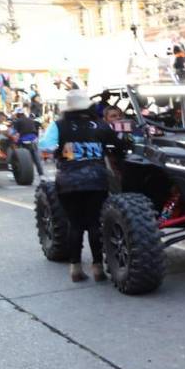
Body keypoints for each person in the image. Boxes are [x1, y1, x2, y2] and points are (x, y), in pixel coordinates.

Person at [38, 90, 126, 282]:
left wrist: (66, 149)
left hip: (68, 181)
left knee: (75, 225)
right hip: (96, 180)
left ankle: (75, 267)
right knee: (95, 224)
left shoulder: (58, 125)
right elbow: (118, 146)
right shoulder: (99, 125)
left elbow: (44, 146)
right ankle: (97, 268)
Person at [9, 109, 44, 176]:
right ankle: (41, 173)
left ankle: (14, 167)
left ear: (18, 114)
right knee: (36, 158)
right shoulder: (31, 120)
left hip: (23, 139)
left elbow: (14, 132)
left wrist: (10, 135)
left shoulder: (17, 121)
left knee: (15, 150)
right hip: (33, 139)